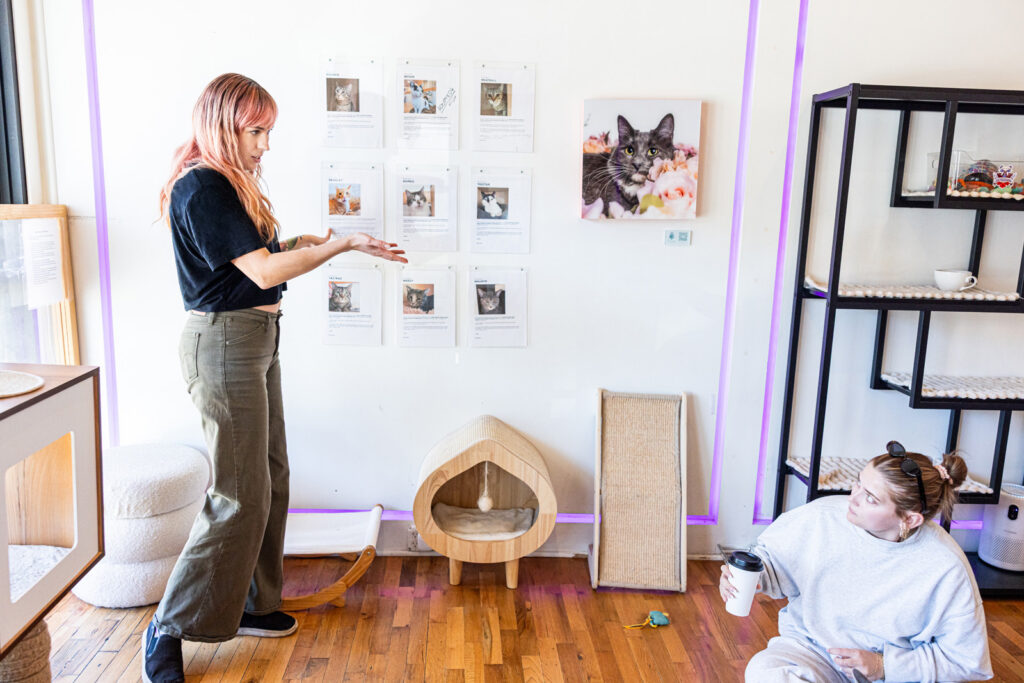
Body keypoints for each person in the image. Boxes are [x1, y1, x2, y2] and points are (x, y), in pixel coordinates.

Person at [145, 73, 406, 683]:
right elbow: (261, 273)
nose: (265, 145)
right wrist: (338, 245)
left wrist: (303, 242)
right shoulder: (204, 184)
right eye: (256, 131)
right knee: (240, 490)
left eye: (268, 132)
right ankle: (169, 626)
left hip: (256, 338)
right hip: (226, 341)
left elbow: (245, 263)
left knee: (271, 474)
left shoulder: (226, 183)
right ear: (222, 125)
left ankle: (254, 605)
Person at [721, 441, 992, 682]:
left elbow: (967, 661)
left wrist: (884, 666)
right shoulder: (823, 517)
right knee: (764, 671)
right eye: (859, 483)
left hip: (893, 675)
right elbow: (769, 560)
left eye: (871, 498)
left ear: (909, 519)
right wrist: (750, 579)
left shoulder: (946, 567)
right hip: (812, 653)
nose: (854, 498)